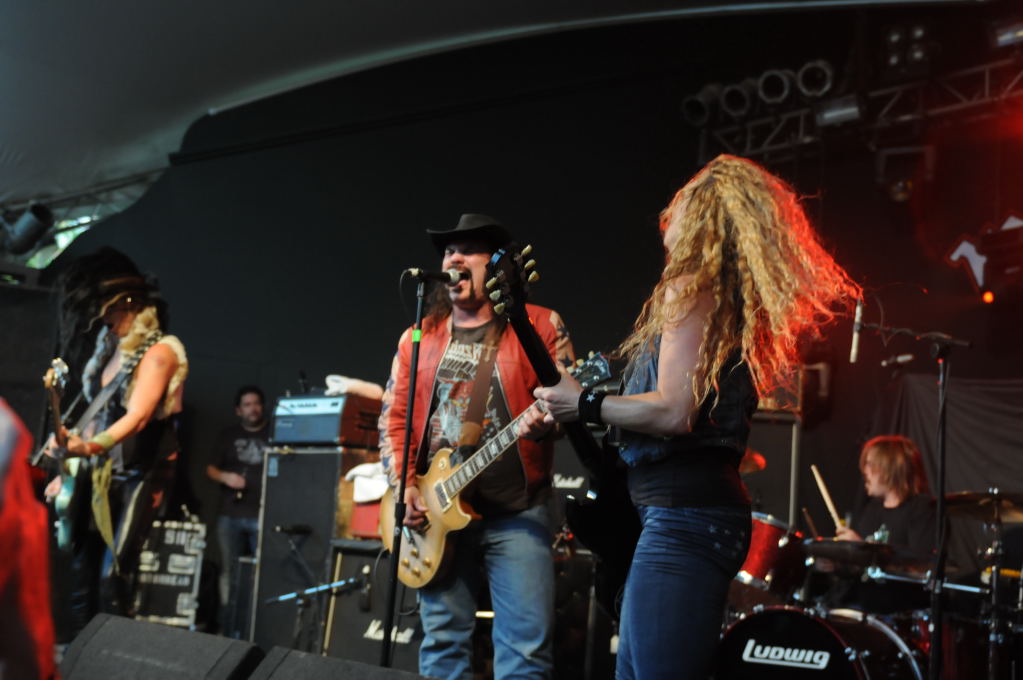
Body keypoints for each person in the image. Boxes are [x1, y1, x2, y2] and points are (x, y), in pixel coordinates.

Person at [531, 155, 859, 680]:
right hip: (679, 514)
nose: (667, 212)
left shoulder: (692, 288)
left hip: (683, 517)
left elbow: (674, 411)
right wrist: (583, 409)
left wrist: (584, 404)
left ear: (705, 210)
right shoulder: (721, 298)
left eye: (680, 200)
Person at [379, 213, 574, 680]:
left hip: (518, 512)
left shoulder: (541, 325)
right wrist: (404, 485)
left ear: (498, 265)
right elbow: (395, 416)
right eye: (449, 251)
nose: (454, 259)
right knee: (442, 646)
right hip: (437, 514)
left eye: (469, 251)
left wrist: (544, 425)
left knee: (525, 652)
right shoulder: (419, 337)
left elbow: (567, 409)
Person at [44, 247, 188, 633]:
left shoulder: (160, 352)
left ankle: (113, 654)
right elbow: (97, 416)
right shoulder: (109, 349)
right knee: (82, 570)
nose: (102, 320)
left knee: (115, 574)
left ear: (128, 305)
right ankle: (79, 654)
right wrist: (68, 460)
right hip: (102, 471)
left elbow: (137, 417)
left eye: (107, 311)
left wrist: (90, 446)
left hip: (142, 472)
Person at [206, 385, 269, 635]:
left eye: (256, 403)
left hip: (261, 514)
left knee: (260, 571)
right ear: (238, 410)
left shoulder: (275, 433)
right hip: (230, 515)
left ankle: (256, 625)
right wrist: (226, 477)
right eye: (247, 404)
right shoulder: (228, 435)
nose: (253, 409)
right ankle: (228, 622)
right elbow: (210, 469)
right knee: (229, 571)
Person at [837, 434, 935, 558]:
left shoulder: (921, 509)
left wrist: (862, 547)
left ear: (891, 468)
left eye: (870, 464)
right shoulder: (872, 509)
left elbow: (918, 563)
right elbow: (860, 564)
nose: (865, 471)